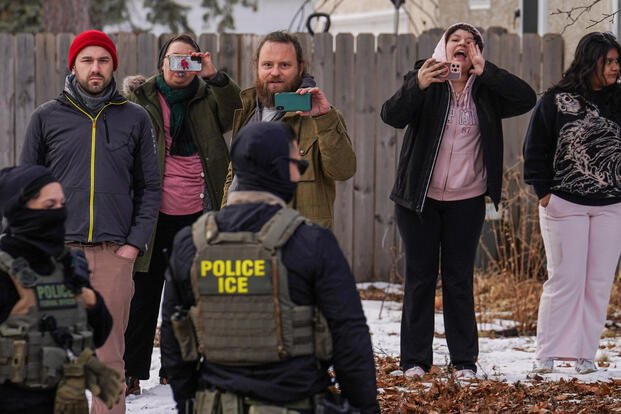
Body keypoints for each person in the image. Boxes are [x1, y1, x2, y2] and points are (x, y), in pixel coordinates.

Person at [161, 122, 379, 414]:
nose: (299, 173)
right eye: (297, 164)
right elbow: (349, 337)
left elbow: (174, 341)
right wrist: (365, 408)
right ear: (281, 170)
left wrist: (190, 403)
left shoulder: (191, 244)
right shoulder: (312, 242)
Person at [381, 22, 536, 378]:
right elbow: (392, 116)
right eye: (455, 39)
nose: (462, 44)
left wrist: (487, 71)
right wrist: (418, 84)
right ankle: (415, 361)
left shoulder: (487, 89)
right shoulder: (426, 78)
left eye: (470, 41)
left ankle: (464, 362)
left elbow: (526, 98)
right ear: (444, 47)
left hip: (467, 201)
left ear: (477, 51)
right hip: (419, 200)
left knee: (458, 280)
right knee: (420, 279)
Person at [20, 29, 161, 413]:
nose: (95, 68)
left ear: (114, 65)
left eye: (103, 60)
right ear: (74, 65)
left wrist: (133, 243)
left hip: (113, 254)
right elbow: (27, 188)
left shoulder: (135, 118)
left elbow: (150, 187)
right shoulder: (46, 117)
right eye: (87, 60)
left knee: (108, 358)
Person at [122, 34, 241, 394]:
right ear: (161, 63)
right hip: (151, 214)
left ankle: (175, 368)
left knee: (187, 295)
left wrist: (215, 76)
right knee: (143, 295)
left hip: (198, 212)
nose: (181, 66)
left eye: (189, 60)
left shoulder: (208, 97)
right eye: (174, 59)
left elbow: (236, 113)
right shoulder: (140, 99)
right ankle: (131, 372)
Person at [524, 32, 621, 375]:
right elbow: (535, 149)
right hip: (565, 202)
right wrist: (544, 192)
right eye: (608, 61)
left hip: (612, 205)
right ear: (590, 62)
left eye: (617, 61)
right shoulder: (555, 101)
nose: (615, 68)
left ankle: (584, 355)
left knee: (599, 281)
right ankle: (547, 354)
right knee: (566, 278)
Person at [0, 165, 123, 414]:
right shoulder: (5, 266)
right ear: (21, 209)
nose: (58, 212)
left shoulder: (65, 262)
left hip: (66, 402)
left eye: (62, 204)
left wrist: (91, 300)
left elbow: (98, 334)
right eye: (49, 205)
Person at [222, 30, 355, 229]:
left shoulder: (321, 116)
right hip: (245, 233)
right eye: (268, 65)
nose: (275, 72)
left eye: (284, 65)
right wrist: (224, 220)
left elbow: (343, 171)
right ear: (256, 67)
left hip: (297, 238)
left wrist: (324, 118)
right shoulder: (246, 113)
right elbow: (233, 178)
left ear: (300, 68)